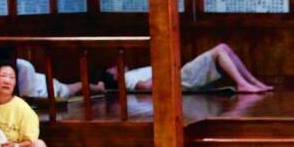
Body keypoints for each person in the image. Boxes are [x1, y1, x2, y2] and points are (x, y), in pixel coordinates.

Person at [102, 43, 273, 94]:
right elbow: (148, 87)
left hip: (177, 75)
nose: (113, 67)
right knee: (221, 49)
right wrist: (166, 72)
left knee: (225, 48)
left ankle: (253, 82)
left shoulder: (130, 73)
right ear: (115, 78)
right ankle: (243, 84)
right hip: (177, 79)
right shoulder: (127, 79)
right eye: (111, 69)